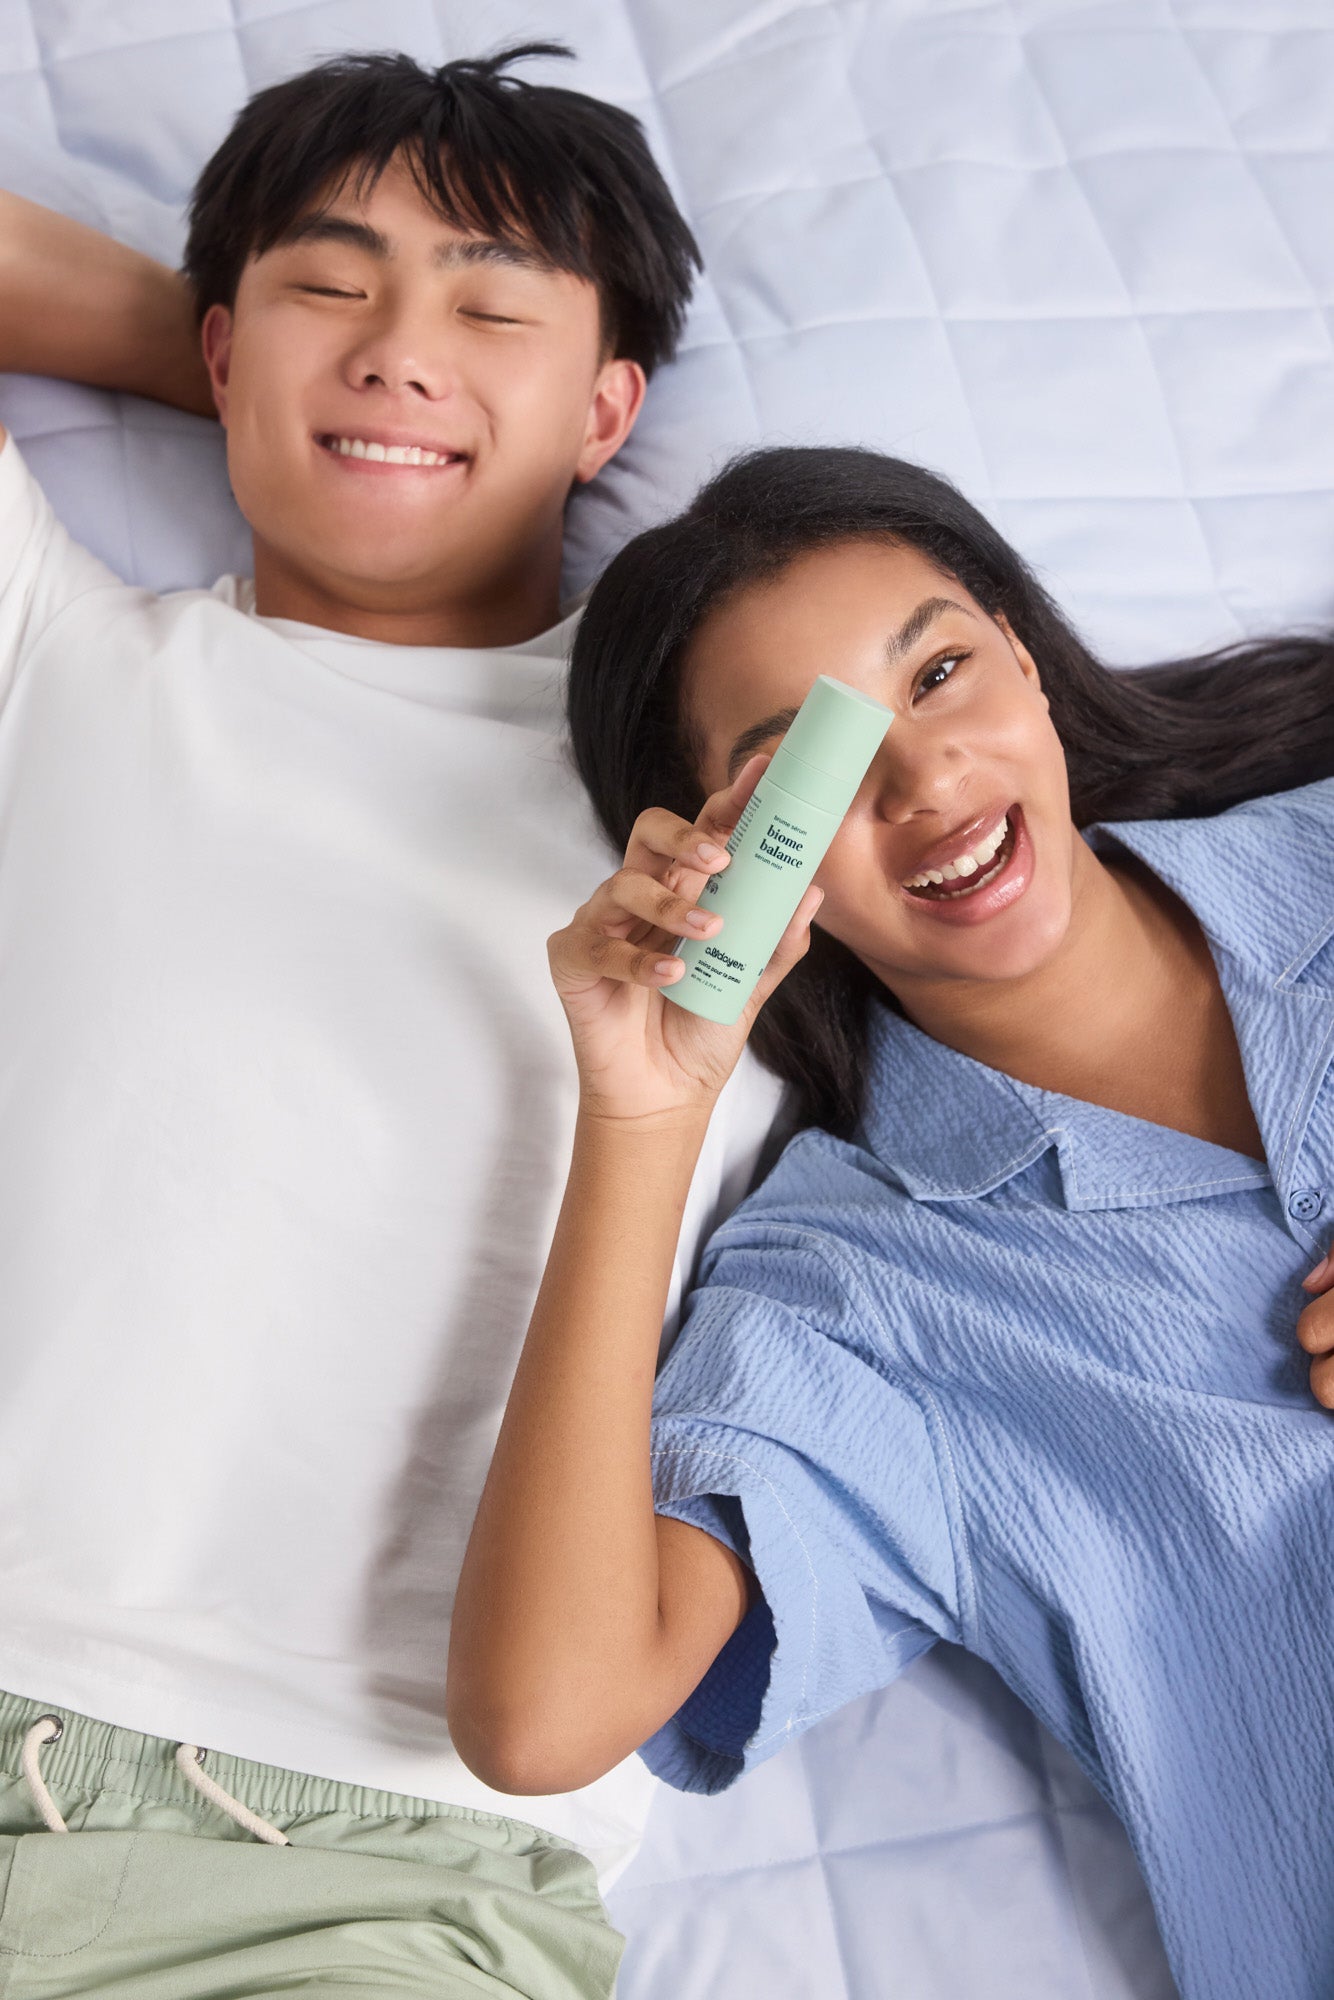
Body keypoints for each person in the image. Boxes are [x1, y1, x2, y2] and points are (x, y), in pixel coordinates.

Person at [0, 45, 783, 1997]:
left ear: (617, 405)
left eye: (494, 302)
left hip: (361, 1859)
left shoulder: (722, 823)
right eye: (331, 285)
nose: (401, 347)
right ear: (211, 356)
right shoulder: (60, 654)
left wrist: (345, 339)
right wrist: (265, 342)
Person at [448, 444, 1334, 2000]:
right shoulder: (861, 1293)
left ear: (1027, 659)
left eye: (936, 671)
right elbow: (542, 1716)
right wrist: (643, 1111)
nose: (922, 783)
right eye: (810, 770)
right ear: (728, 865)